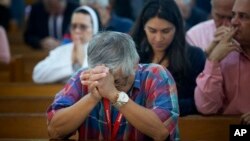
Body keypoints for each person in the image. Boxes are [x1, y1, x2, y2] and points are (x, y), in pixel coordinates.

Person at [47, 31, 179, 140]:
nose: (109, 85)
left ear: (135, 64)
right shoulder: (85, 77)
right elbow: (54, 130)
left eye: (118, 82)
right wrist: (92, 98)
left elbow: (162, 132)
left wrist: (114, 95)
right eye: (104, 79)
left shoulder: (156, 75)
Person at [131, 0, 205, 116]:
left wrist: (158, 109)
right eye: (152, 31)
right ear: (143, 28)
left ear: (177, 28)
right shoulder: (134, 56)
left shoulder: (194, 56)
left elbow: (198, 101)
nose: (159, 38)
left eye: (166, 31)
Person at [194, 0, 250, 121]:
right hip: (228, 131)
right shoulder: (225, 55)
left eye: (243, 16)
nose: (234, 22)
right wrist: (213, 60)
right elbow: (206, 108)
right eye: (234, 15)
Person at [32, 5, 100, 83]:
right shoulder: (61, 50)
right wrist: (72, 65)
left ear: (94, 29)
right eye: (74, 26)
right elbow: (37, 75)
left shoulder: (100, 52)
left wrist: (81, 61)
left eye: (83, 26)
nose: (77, 31)